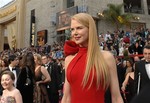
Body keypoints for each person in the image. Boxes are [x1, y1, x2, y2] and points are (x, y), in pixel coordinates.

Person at [61, 13, 123, 103]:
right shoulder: (69, 59)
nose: (75, 33)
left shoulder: (106, 57)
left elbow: (116, 97)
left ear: (90, 29)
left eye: (79, 28)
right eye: (72, 29)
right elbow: (66, 97)